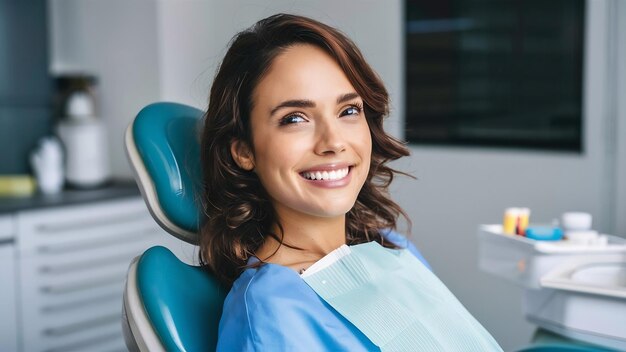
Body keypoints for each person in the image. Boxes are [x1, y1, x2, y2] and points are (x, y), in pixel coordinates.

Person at [199, 13, 502, 351]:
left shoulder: (391, 247)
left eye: (348, 111)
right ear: (244, 151)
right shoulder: (268, 311)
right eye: (294, 118)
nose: (333, 142)